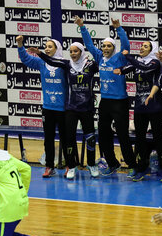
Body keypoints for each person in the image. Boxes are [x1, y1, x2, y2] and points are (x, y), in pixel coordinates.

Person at [76, 16, 138, 177]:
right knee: (103, 135)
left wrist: (119, 29)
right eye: (103, 46)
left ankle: (132, 166)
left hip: (120, 103)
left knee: (123, 136)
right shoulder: (99, 58)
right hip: (105, 103)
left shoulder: (120, 58)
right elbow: (89, 44)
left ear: (113, 48)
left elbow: (126, 45)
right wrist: (82, 26)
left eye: (108, 46)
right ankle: (112, 163)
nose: (105, 48)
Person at [34, 41, 100, 179]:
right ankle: (72, 166)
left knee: (91, 139)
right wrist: (39, 53)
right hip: (71, 108)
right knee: (69, 139)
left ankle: (92, 165)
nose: (73, 54)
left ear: (82, 52)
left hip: (87, 108)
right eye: (71, 51)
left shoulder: (91, 65)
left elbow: (104, 61)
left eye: (76, 51)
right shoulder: (67, 64)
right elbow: (51, 61)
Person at [115, 43, 162, 182]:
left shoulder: (155, 62)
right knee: (140, 138)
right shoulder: (138, 62)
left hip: (155, 105)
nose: (141, 48)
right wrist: (118, 68)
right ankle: (141, 167)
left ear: (152, 50)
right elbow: (126, 68)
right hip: (140, 106)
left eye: (145, 46)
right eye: (141, 46)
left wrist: (128, 56)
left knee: (158, 136)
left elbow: (144, 68)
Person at [17, 36, 67, 178]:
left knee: (66, 138)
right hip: (48, 108)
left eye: (50, 47)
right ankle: (49, 166)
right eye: (45, 46)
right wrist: (20, 44)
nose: (47, 48)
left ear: (57, 49)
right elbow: (26, 59)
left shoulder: (64, 63)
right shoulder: (40, 62)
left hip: (63, 108)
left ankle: (70, 166)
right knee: (48, 139)